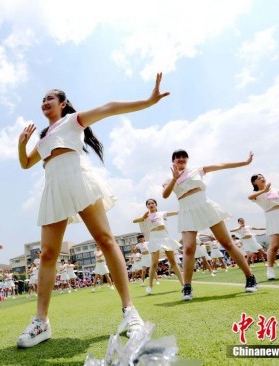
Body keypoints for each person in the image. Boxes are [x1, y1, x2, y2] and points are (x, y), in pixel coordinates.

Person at [16, 74, 169, 347]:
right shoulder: (42, 139)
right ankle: (41, 321)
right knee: (49, 254)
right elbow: (26, 164)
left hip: (79, 178)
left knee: (106, 240)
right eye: (42, 99)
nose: (45, 102)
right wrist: (21, 144)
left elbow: (110, 107)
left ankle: (130, 311)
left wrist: (148, 101)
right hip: (54, 186)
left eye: (50, 98)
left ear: (63, 103)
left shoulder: (72, 121)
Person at [162, 149, 258, 301]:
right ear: (173, 161)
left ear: (187, 159)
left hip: (204, 204)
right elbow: (165, 195)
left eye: (184, 157)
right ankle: (187, 287)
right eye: (177, 157)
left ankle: (250, 276)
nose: (181, 159)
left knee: (227, 243)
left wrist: (245, 162)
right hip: (186, 209)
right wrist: (174, 179)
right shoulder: (169, 177)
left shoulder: (196, 169)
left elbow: (221, 165)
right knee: (188, 249)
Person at [133, 199, 184, 294]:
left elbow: (176, 212)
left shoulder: (162, 213)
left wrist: (183, 210)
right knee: (154, 263)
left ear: (156, 205)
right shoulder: (146, 216)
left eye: (152, 203)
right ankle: (150, 286)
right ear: (147, 206)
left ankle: (183, 284)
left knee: (173, 262)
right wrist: (142, 218)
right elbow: (134, 221)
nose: (151, 205)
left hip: (164, 237)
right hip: (154, 238)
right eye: (148, 204)